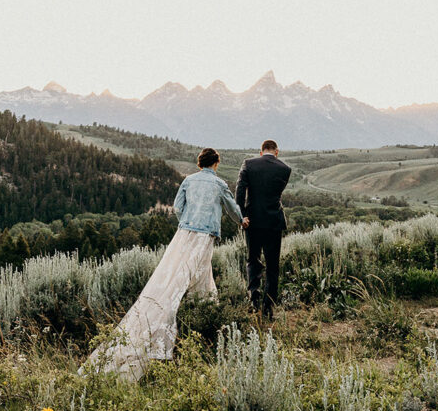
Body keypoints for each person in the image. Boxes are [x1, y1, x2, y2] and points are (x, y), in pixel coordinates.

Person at [81, 147, 244, 381]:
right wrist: (242, 221)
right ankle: (200, 323)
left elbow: (177, 208)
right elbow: (232, 208)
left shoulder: (188, 180)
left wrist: (186, 221)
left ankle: (194, 319)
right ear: (216, 163)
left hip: (183, 234)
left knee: (174, 276)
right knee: (192, 276)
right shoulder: (219, 184)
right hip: (204, 236)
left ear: (200, 164)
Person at [235, 139, 292, 318]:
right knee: (273, 265)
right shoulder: (285, 169)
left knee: (253, 260)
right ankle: (268, 307)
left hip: (252, 220)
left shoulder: (249, 164)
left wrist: (242, 214)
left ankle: (253, 298)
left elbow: (239, 191)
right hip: (274, 221)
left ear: (261, 152)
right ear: (277, 152)